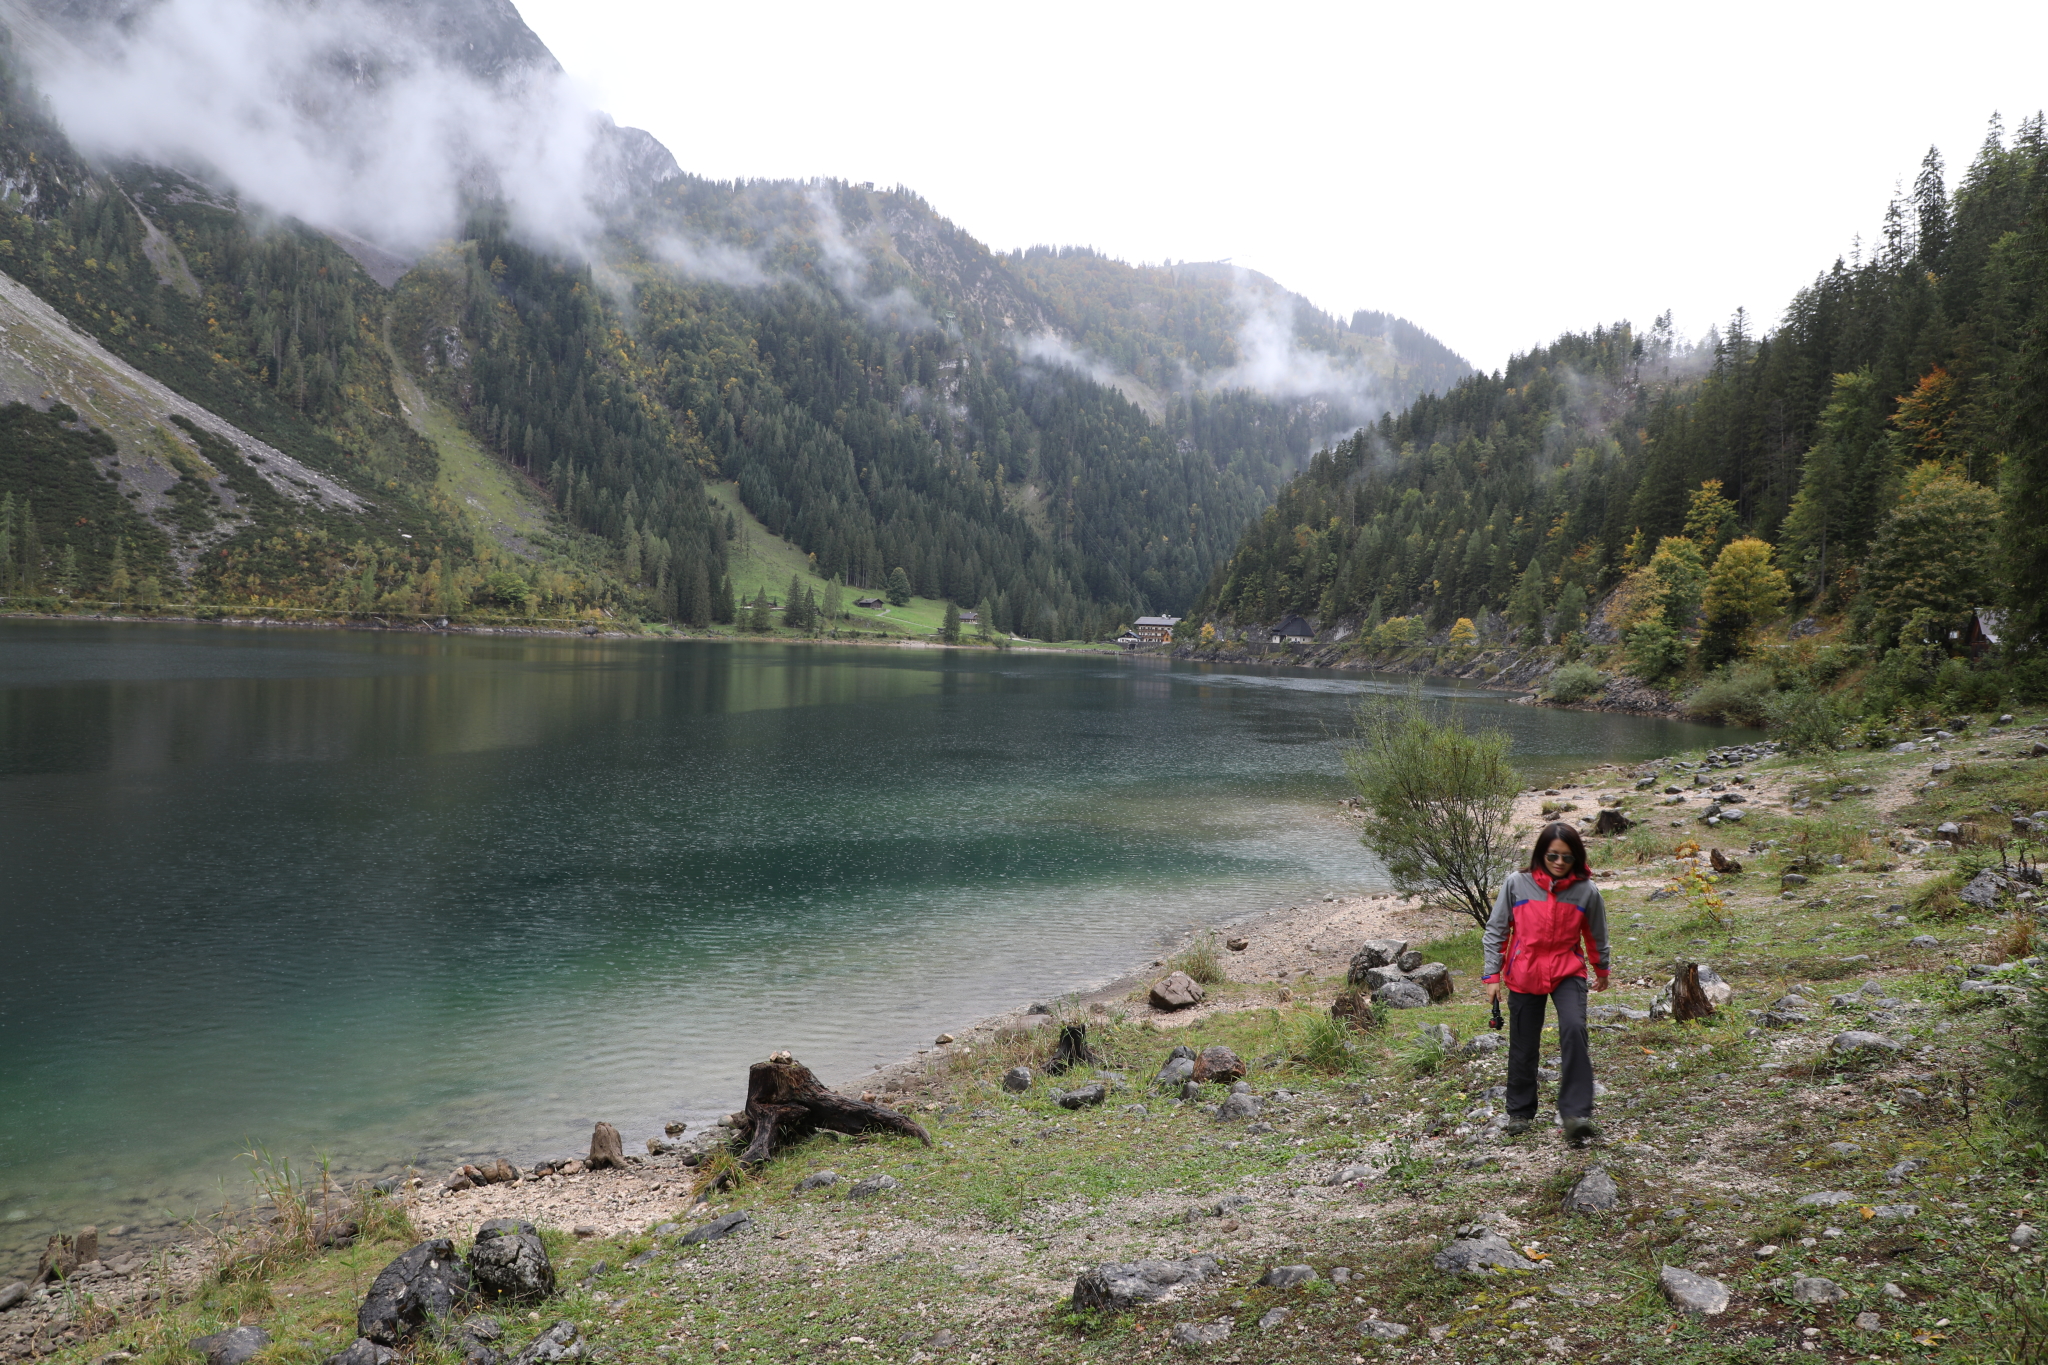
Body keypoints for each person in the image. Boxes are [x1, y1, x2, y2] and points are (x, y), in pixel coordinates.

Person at [1481, 821, 1610, 1145]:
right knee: (1524, 1043)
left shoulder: (1586, 890)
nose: (1559, 863)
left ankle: (1577, 1115)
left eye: (1567, 858)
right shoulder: (1516, 884)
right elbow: (1497, 931)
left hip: (1568, 971)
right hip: (1524, 971)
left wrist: (1602, 969)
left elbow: (1596, 935)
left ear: (1575, 858)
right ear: (1542, 854)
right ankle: (1520, 1113)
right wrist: (1491, 975)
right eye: (1553, 856)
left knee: (1573, 1029)